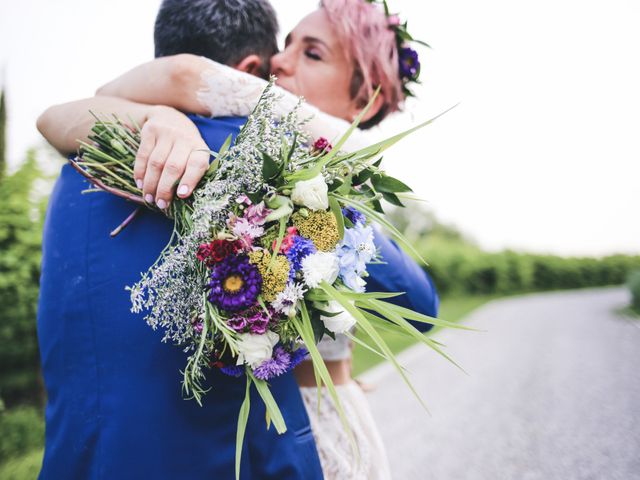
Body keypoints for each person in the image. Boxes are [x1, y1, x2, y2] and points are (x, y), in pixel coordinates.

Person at [39, 0, 440, 478]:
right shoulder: (259, 164)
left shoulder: (82, 163)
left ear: (365, 100)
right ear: (248, 70)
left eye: (311, 54)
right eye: (287, 46)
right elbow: (419, 303)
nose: (281, 64)